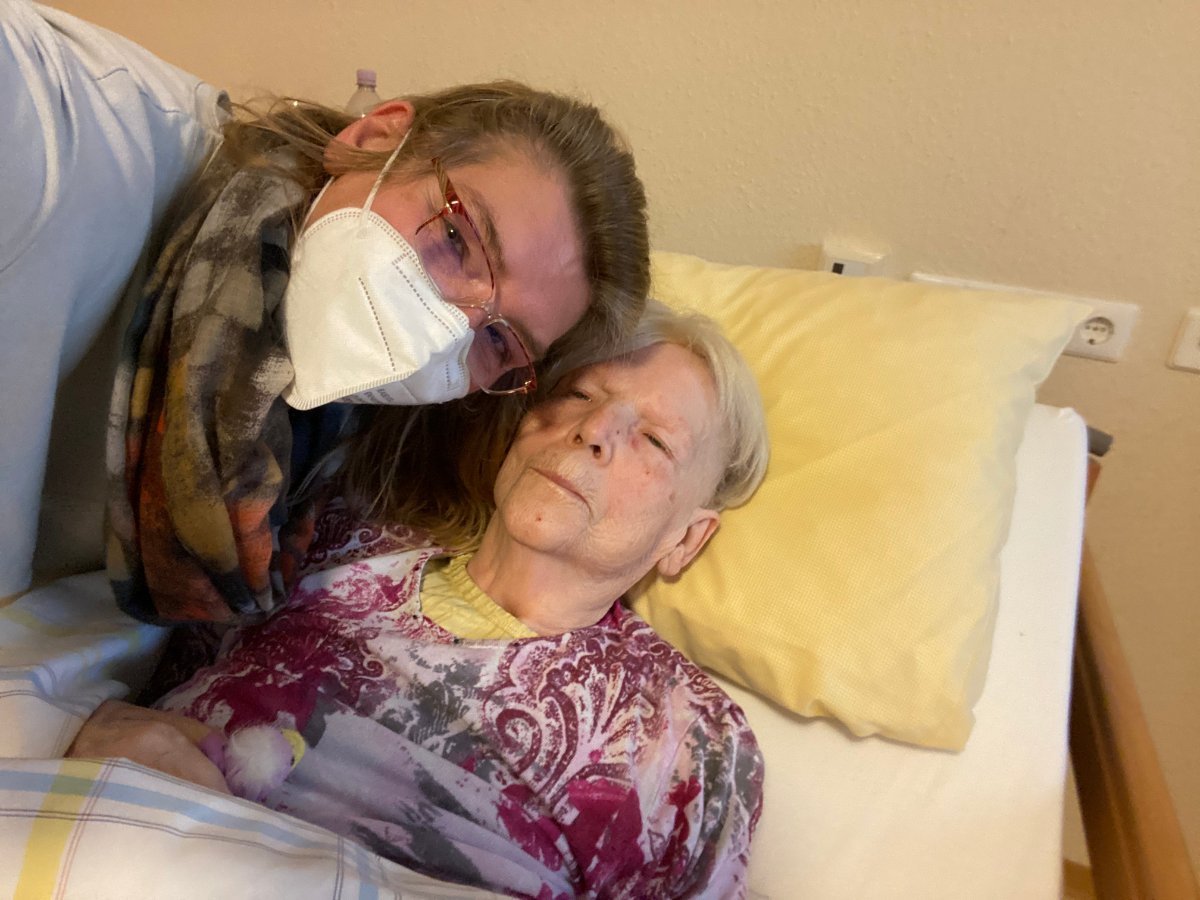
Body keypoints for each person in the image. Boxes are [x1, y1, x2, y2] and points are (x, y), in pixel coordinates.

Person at [70, 302, 771, 898]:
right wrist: (113, 733)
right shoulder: (337, 530)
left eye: (654, 439)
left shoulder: (687, 736)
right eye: (580, 394)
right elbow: (163, 667)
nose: (594, 430)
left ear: (686, 540)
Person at [95, 73, 650, 623]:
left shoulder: (337, 472)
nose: (446, 332)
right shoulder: (98, 144)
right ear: (372, 138)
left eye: (499, 339)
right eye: (456, 238)